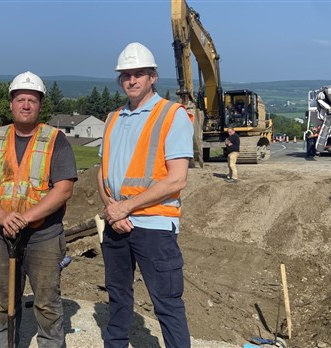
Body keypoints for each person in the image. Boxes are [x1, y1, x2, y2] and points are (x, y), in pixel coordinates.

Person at [97, 42, 193, 348]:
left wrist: (125, 208)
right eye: (126, 75)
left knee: (166, 303)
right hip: (117, 223)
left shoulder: (172, 115)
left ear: (153, 77)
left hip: (154, 227)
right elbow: (102, 172)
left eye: (139, 73)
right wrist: (112, 208)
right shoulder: (113, 117)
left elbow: (177, 180)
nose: (132, 80)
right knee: (118, 297)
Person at [0, 71, 77, 348]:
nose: (26, 105)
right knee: (6, 301)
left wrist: (25, 219)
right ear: (11, 103)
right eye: (21, 99)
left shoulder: (55, 139)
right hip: (2, 234)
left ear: (41, 105)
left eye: (32, 100)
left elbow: (64, 188)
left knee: (47, 303)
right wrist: (2, 216)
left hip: (43, 236)